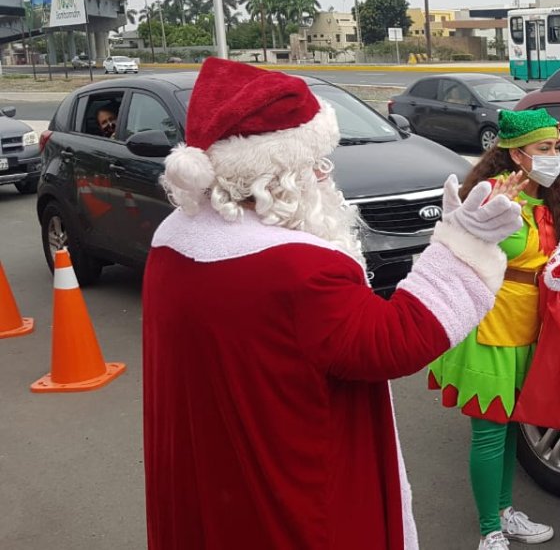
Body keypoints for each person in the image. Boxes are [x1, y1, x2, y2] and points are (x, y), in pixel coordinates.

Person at [142, 58, 525, 550]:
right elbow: (393, 343)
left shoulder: (173, 240)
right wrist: (462, 249)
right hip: (295, 492)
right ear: (274, 174)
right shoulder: (298, 270)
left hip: (213, 472)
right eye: (315, 163)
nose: (326, 174)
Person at [427, 108, 560, 550]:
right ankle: (489, 531)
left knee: (512, 425)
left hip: (529, 325)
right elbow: (458, 248)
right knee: (491, 431)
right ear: (515, 154)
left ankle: (506, 512)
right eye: (543, 149)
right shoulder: (491, 195)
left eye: (556, 148)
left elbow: (539, 263)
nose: (553, 157)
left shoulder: (544, 200)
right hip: (490, 328)